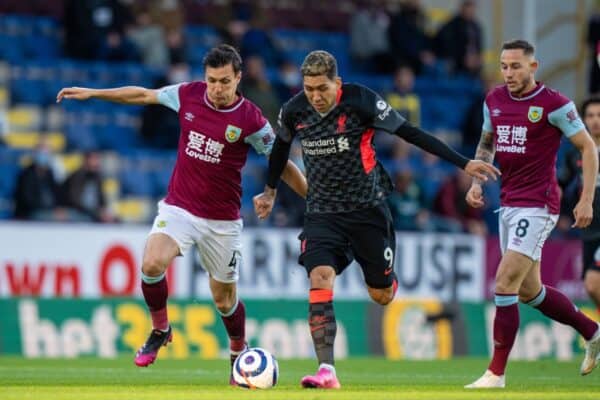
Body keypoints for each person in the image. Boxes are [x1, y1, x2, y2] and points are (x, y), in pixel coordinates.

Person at [56, 44, 307, 382]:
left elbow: (281, 161)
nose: (216, 89)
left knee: (224, 299)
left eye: (224, 81)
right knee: (151, 264)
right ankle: (161, 330)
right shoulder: (188, 95)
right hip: (180, 208)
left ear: (238, 78)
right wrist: (94, 93)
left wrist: (312, 197)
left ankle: (237, 351)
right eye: (212, 80)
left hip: (222, 220)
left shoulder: (250, 119)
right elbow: (143, 95)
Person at [252, 50, 499, 389]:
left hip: (367, 210)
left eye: (322, 88)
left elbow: (409, 132)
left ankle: (384, 276)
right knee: (320, 276)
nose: (315, 96)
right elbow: (280, 149)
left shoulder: (361, 101)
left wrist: (462, 163)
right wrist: (269, 191)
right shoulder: (294, 109)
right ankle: (327, 370)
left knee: (381, 294)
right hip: (322, 211)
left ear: (337, 82)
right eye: (309, 88)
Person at [464, 40, 600, 389]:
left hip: (539, 205)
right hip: (508, 202)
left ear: (533, 67)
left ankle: (496, 373)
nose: (508, 73)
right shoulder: (493, 100)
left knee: (504, 281)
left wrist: (586, 200)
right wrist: (477, 182)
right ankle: (592, 331)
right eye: (504, 66)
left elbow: (587, 146)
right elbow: (487, 142)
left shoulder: (555, 104)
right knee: (529, 291)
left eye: (516, 66)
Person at [559, 97, 600, 317]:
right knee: (590, 285)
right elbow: (562, 185)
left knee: (594, 282)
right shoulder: (574, 153)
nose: (595, 121)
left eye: (599, 115)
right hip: (590, 227)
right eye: (590, 116)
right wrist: (561, 214)